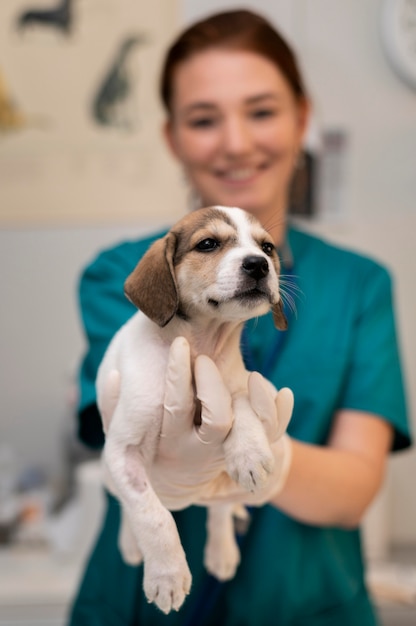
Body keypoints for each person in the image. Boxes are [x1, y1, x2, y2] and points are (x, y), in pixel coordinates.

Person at [68, 9, 411, 626]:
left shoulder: (360, 284)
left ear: (302, 118)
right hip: (139, 607)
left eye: (261, 110)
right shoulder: (117, 274)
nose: (236, 141)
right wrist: (180, 465)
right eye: (204, 119)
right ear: (172, 136)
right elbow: (122, 434)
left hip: (305, 606)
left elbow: (357, 489)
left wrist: (264, 458)